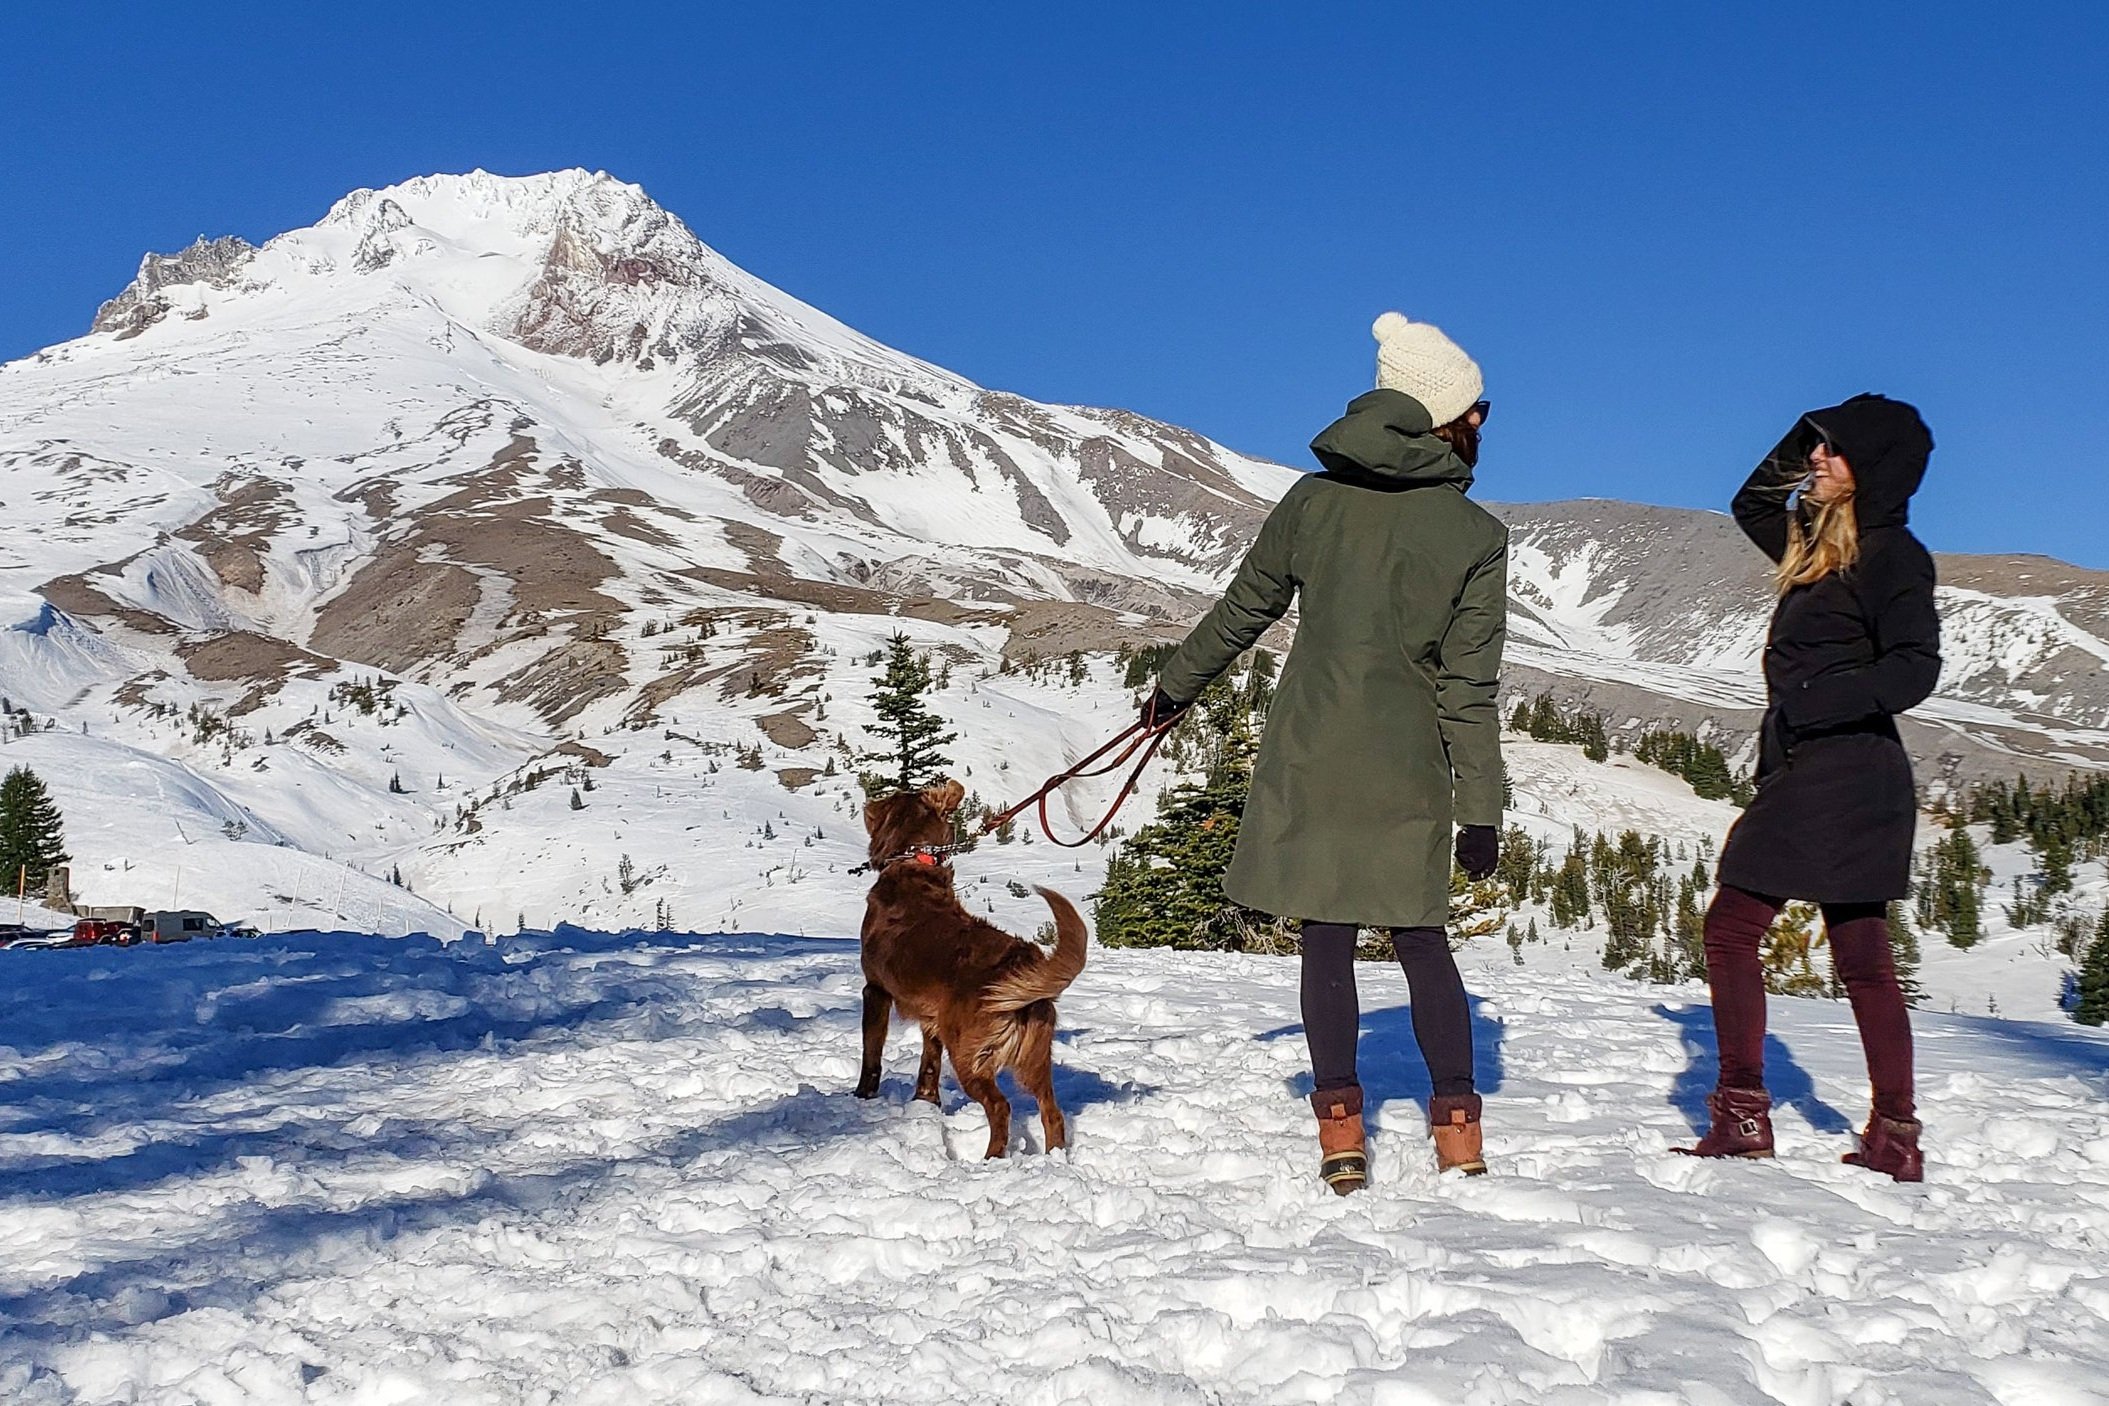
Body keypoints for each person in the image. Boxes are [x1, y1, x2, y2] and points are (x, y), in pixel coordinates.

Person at [1144, 312, 1507, 1194]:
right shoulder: (1474, 536)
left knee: (1326, 943)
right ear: (1442, 417)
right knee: (1421, 941)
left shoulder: (1311, 502)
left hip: (1310, 747)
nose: (1481, 427)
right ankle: (1457, 1131)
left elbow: (1241, 612)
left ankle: (1340, 1134)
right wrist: (1480, 807)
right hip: (1408, 763)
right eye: (1476, 414)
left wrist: (1172, 689)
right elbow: (1467, 691)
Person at [1681, 394, 1941, 1182]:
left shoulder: (1893, 554)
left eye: (1833, 451)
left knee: (1731, 930)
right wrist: (1808, 430)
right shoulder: (1812, 545)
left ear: (1873, 472)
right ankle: (1894, 1137)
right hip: (1831, 773)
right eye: (1814, 448)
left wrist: (1811, 701)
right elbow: (1750, 500)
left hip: (1841, 769)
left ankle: (1742, 1113)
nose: (1815, 462)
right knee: (1862, 956)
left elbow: (1914, 668)